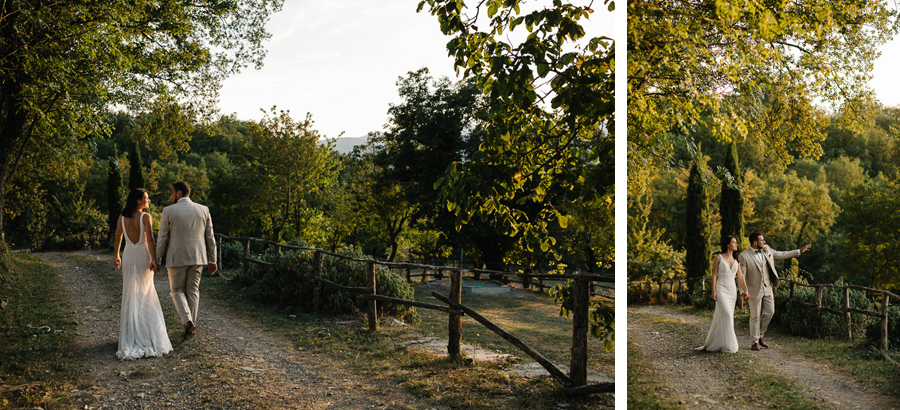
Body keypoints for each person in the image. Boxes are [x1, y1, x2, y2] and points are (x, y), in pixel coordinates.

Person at [114, 188, 173, 360]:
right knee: (146, 293)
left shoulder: (122, 217)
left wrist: (117, 255)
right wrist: (153, 260)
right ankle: (145, 333)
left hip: (129, 255)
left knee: (130, 293)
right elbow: (150, 240)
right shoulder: (145, 217)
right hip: (142, 255)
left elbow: (118, 237)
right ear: (138, 200)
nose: (149, 200)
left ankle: (131, 333)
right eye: (146, 198)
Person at [156, 181, 218, 341]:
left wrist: (157, 259)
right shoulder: (204, 210)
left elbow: (162, 237)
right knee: (193, 291)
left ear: (178, 193)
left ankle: (188, 321)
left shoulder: (169, 211)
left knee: (176, 290)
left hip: (176, 257)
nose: (171, 196)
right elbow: (210, 237)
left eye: (172, 193)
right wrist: (213, 259)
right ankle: (191, 326)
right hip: (198, 257)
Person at [738, 232, 811, 351]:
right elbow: (741, 276)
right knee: (755, 316)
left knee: (770, 312)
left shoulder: (767, 249)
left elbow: (781, 254)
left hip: (768, 287)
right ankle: (754, 341)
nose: (764, 242)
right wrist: (743, 291)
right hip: (753, 290)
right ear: (755, 242)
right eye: (762, 240)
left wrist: (799, 251)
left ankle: (760, 335)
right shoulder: (744, 256)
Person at [696, 235, 749, 353]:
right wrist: (713, 291)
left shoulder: (737, 260)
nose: (736, 244)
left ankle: (719, 342)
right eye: (734, 242)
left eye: (736, 242)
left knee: (726, 315)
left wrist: (746, 290)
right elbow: (714, 275)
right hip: (721, 289)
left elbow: (740, 276)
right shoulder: (718, 258)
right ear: (727, 244)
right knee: (728, 316)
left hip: (731, 290)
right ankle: (730, 345)